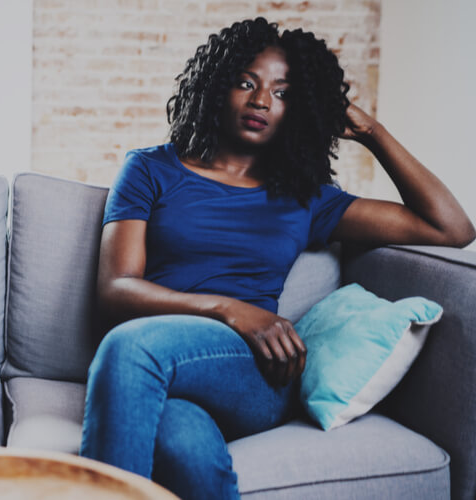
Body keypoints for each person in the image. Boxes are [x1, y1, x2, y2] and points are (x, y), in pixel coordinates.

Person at [80, 17, 475, 500]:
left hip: (254, 370)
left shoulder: (305, 198)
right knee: (183, 444)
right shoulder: (150, 169)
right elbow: (115, 288)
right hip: (165, 356)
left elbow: (451, 228)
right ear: (215, 86)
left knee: (129, 348)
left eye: (283, 92)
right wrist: (227, 308)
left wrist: (371, 130)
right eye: (246, 82)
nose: (262, 101)